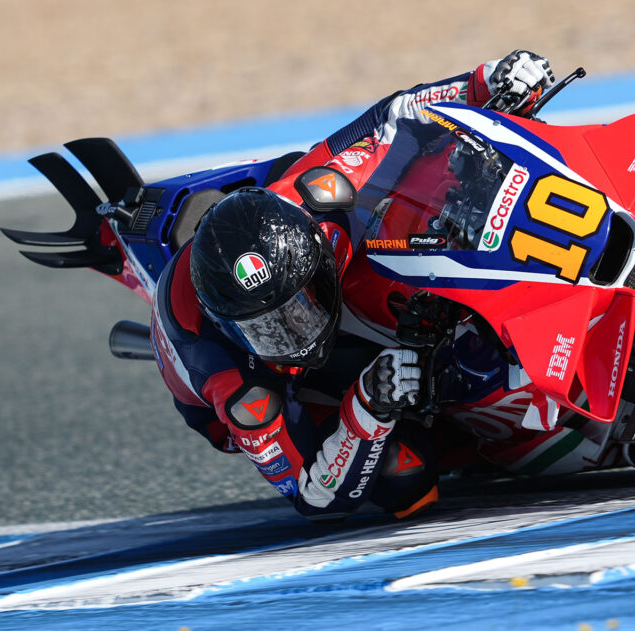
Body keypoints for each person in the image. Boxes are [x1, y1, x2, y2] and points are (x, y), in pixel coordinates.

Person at [150, 51, 555, 520]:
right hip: (293, 391)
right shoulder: (240, 388)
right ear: (230, 328)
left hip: (301, 248)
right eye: (267, 330)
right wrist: (368, 408)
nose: (296, 334)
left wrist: (487, 83)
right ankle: (473, 440)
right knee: (405, 476)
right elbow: (314, 497)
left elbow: (395, 118)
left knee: (427, 178)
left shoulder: (313, 199)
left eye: (301, 307)